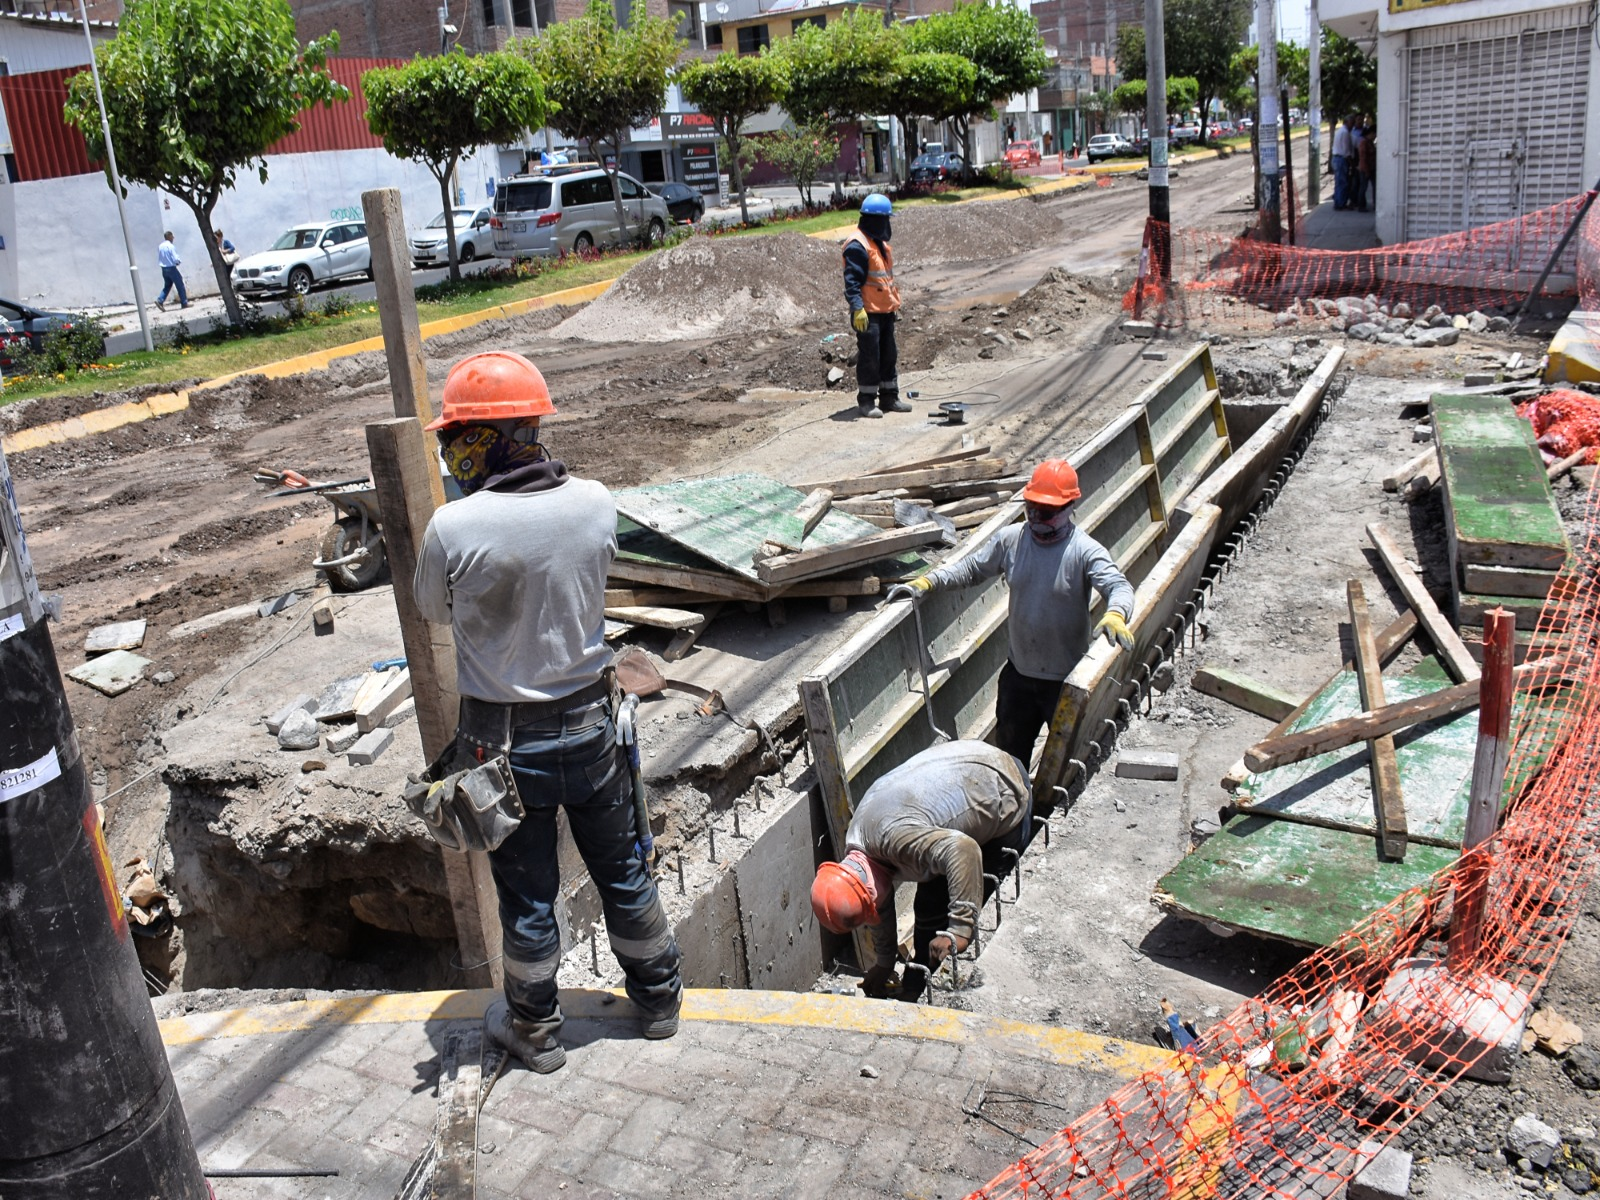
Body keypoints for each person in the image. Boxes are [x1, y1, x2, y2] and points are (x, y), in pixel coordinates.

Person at [414, 351, 683, 1075]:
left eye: (455, 437)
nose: (449, 451)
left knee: (528, 893)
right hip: (592, 726)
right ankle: (659, 1002)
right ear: (531, 425)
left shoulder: (453, 526)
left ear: (479, 439)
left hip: (504, 746)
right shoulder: (595, 501)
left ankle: (535, 1032)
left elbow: (432, 612)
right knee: (622, 868)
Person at [888, 459, 1135, 770]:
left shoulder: (1084, 551)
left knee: (1064, 768)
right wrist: (929, 581)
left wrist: (1116, 614)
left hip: (1064, 684)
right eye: (1031, 508)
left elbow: (1118, 586)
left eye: (1045, 512)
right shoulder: (1012, 540)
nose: (1035, 518)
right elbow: (972, 568)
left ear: (1070, 506)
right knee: (1008, 765)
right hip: (1018, 678)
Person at [810, 740, 1031, 1001]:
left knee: (976, 909)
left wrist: (959, 929)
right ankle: (916, 984)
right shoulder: (858, 846)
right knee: (929, 908)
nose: (876, 913)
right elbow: (877, 903)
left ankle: (931, 984)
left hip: (1003, 789)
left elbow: (963, 849)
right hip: (970, 764)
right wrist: (884, 963)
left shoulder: (895, 840)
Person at [843, 193, 909, 419]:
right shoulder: (857, 245)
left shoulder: (877, 243)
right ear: (874, 220)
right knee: (870, 357)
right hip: (867, 313)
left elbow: (884, 280)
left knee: (889, 354)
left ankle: (889, 397)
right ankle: (867, 401)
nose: (887, 224)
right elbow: (852, 282)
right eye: (885, 219)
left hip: (885, 311)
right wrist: (856, 307)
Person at [155, 231, 188, 311]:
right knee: (180, 284)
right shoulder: (170, 246)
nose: (173, 238)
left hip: (163, 268)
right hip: (171, 268)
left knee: (167, 285)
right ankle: (184, 302)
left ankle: (160, 300)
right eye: (172, 236)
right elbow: (175, 258)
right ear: (169, 237)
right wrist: (178, 262)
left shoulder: (160, 246)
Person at [1331, 115, 1352, 210]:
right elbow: (1346, 150)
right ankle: (1341, 203)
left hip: (1336, 158)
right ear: (1347, 122)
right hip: (1341, 159)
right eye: (1352, 122)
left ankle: (1338, 202)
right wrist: (1351, 162)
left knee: (1339, 182)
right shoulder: (1345, 132)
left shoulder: (1340, 131)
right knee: (1343, 182)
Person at [1356, 121, 1376, 213]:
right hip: (1365, 168)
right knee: (1363, 187)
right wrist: (1367, 170)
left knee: (1374, 186)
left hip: (1371, 168)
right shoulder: (1364, 143)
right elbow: (1363, 158)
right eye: (1374, 134)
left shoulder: (1370, 142)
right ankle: (1361, 205)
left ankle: (1376, 204)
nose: (1375, 136)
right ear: (1371, 133)